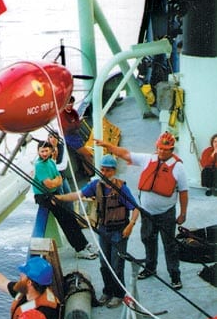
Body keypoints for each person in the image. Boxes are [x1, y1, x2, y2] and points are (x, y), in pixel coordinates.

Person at [96, 131, 188, 290]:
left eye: (166, 149)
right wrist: (108, 145)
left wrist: (183, 213)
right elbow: (125, 154)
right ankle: (150, 268)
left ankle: (175, 275)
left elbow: (184, 192)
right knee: (148, 240)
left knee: (169, 245)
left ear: (172, 150)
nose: (162, 151)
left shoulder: (178, 167)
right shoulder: (148, 159)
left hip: (166, 213)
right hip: (146, 213)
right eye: (160, 148)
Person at [56, 154, 139, 308]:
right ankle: (108, 291)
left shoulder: (121, 188)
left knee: (116, 264)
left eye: (108, 170)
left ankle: (119, 294)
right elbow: (78, 195)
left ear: (114, 171)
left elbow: (135, 208)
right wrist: (60, 198)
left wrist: (131, 225)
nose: (105, 173)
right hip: (103, 231)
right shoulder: (96, 185)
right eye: (102, 169)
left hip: (119, 232)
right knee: (104, 263)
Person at [33, 139, 98, 260]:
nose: (44, 154)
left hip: (54, 194)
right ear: (38, 152)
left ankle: (84, 243)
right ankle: (79, 249)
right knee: (66, 221)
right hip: (45, 197)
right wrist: (56, 182)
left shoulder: (51, 161)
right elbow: (49, 184)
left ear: (51, 151)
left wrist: (56, 182)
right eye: (42, 151)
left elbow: (59, 179)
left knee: (71, 218)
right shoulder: (39, 165)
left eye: (46, 151)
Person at [60, 96, 94, 176]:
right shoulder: (62, 114)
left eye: (71, 103)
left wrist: (74, 124)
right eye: (68, 104)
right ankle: (91, 172)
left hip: (76, 135)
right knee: (87, 154)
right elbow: (67, 128)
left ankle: (89, 172)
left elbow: (77, 124)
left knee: (84, 156)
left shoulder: (74, 112)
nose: (70, 105)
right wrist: (75, 124)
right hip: (70, 138)